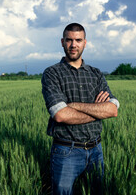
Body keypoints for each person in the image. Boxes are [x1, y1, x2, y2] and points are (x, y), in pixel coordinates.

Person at [41, 23, 120, 194]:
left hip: (96, 150)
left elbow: (113, 109)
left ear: (85, 42)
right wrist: (98, 111)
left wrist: (75, 106)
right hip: (65, 152)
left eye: (78, 40)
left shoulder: (96, 73)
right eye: (69, 40)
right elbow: (60, 115)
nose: (73, 45)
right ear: (62, 42)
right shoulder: (52, 73)